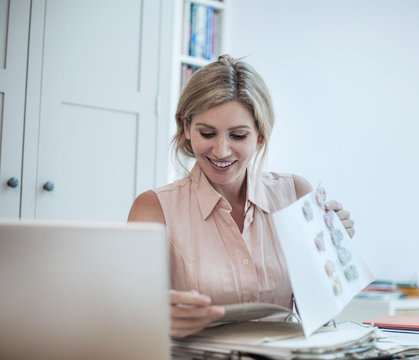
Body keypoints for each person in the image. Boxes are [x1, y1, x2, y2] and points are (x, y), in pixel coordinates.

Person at [128, 55, 355, 338]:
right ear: (186, 127)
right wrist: (159, 318)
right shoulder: (153, 209)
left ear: (260, 134)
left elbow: (321, 316)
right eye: (207, 133)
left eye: (238, 136)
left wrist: (334, 250)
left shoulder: (294, 194)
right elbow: (132, 323)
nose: (221, 150)